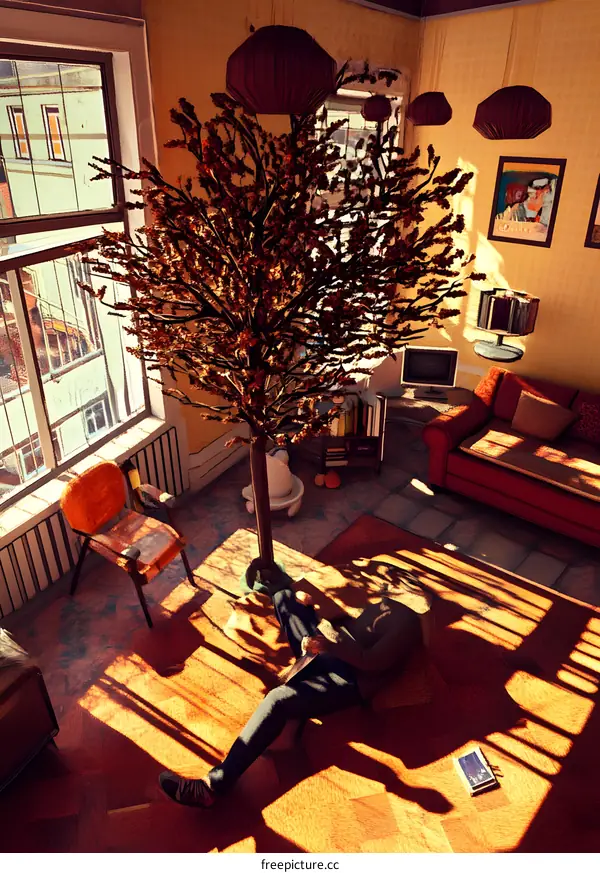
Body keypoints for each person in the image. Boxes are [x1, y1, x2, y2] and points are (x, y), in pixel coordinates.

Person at [159, 576, 425, 808]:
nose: (388, 583)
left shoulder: (408, 624)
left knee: (277, 700)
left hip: (349, 678)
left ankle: (212, 787)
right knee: (285, 597)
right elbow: (351, 628)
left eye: (398, 583)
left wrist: (326, 638)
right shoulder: (387, 606)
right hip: (329, 653)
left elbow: (371, 662)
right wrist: (313, 610)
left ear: (412, 594)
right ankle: (300, 656)